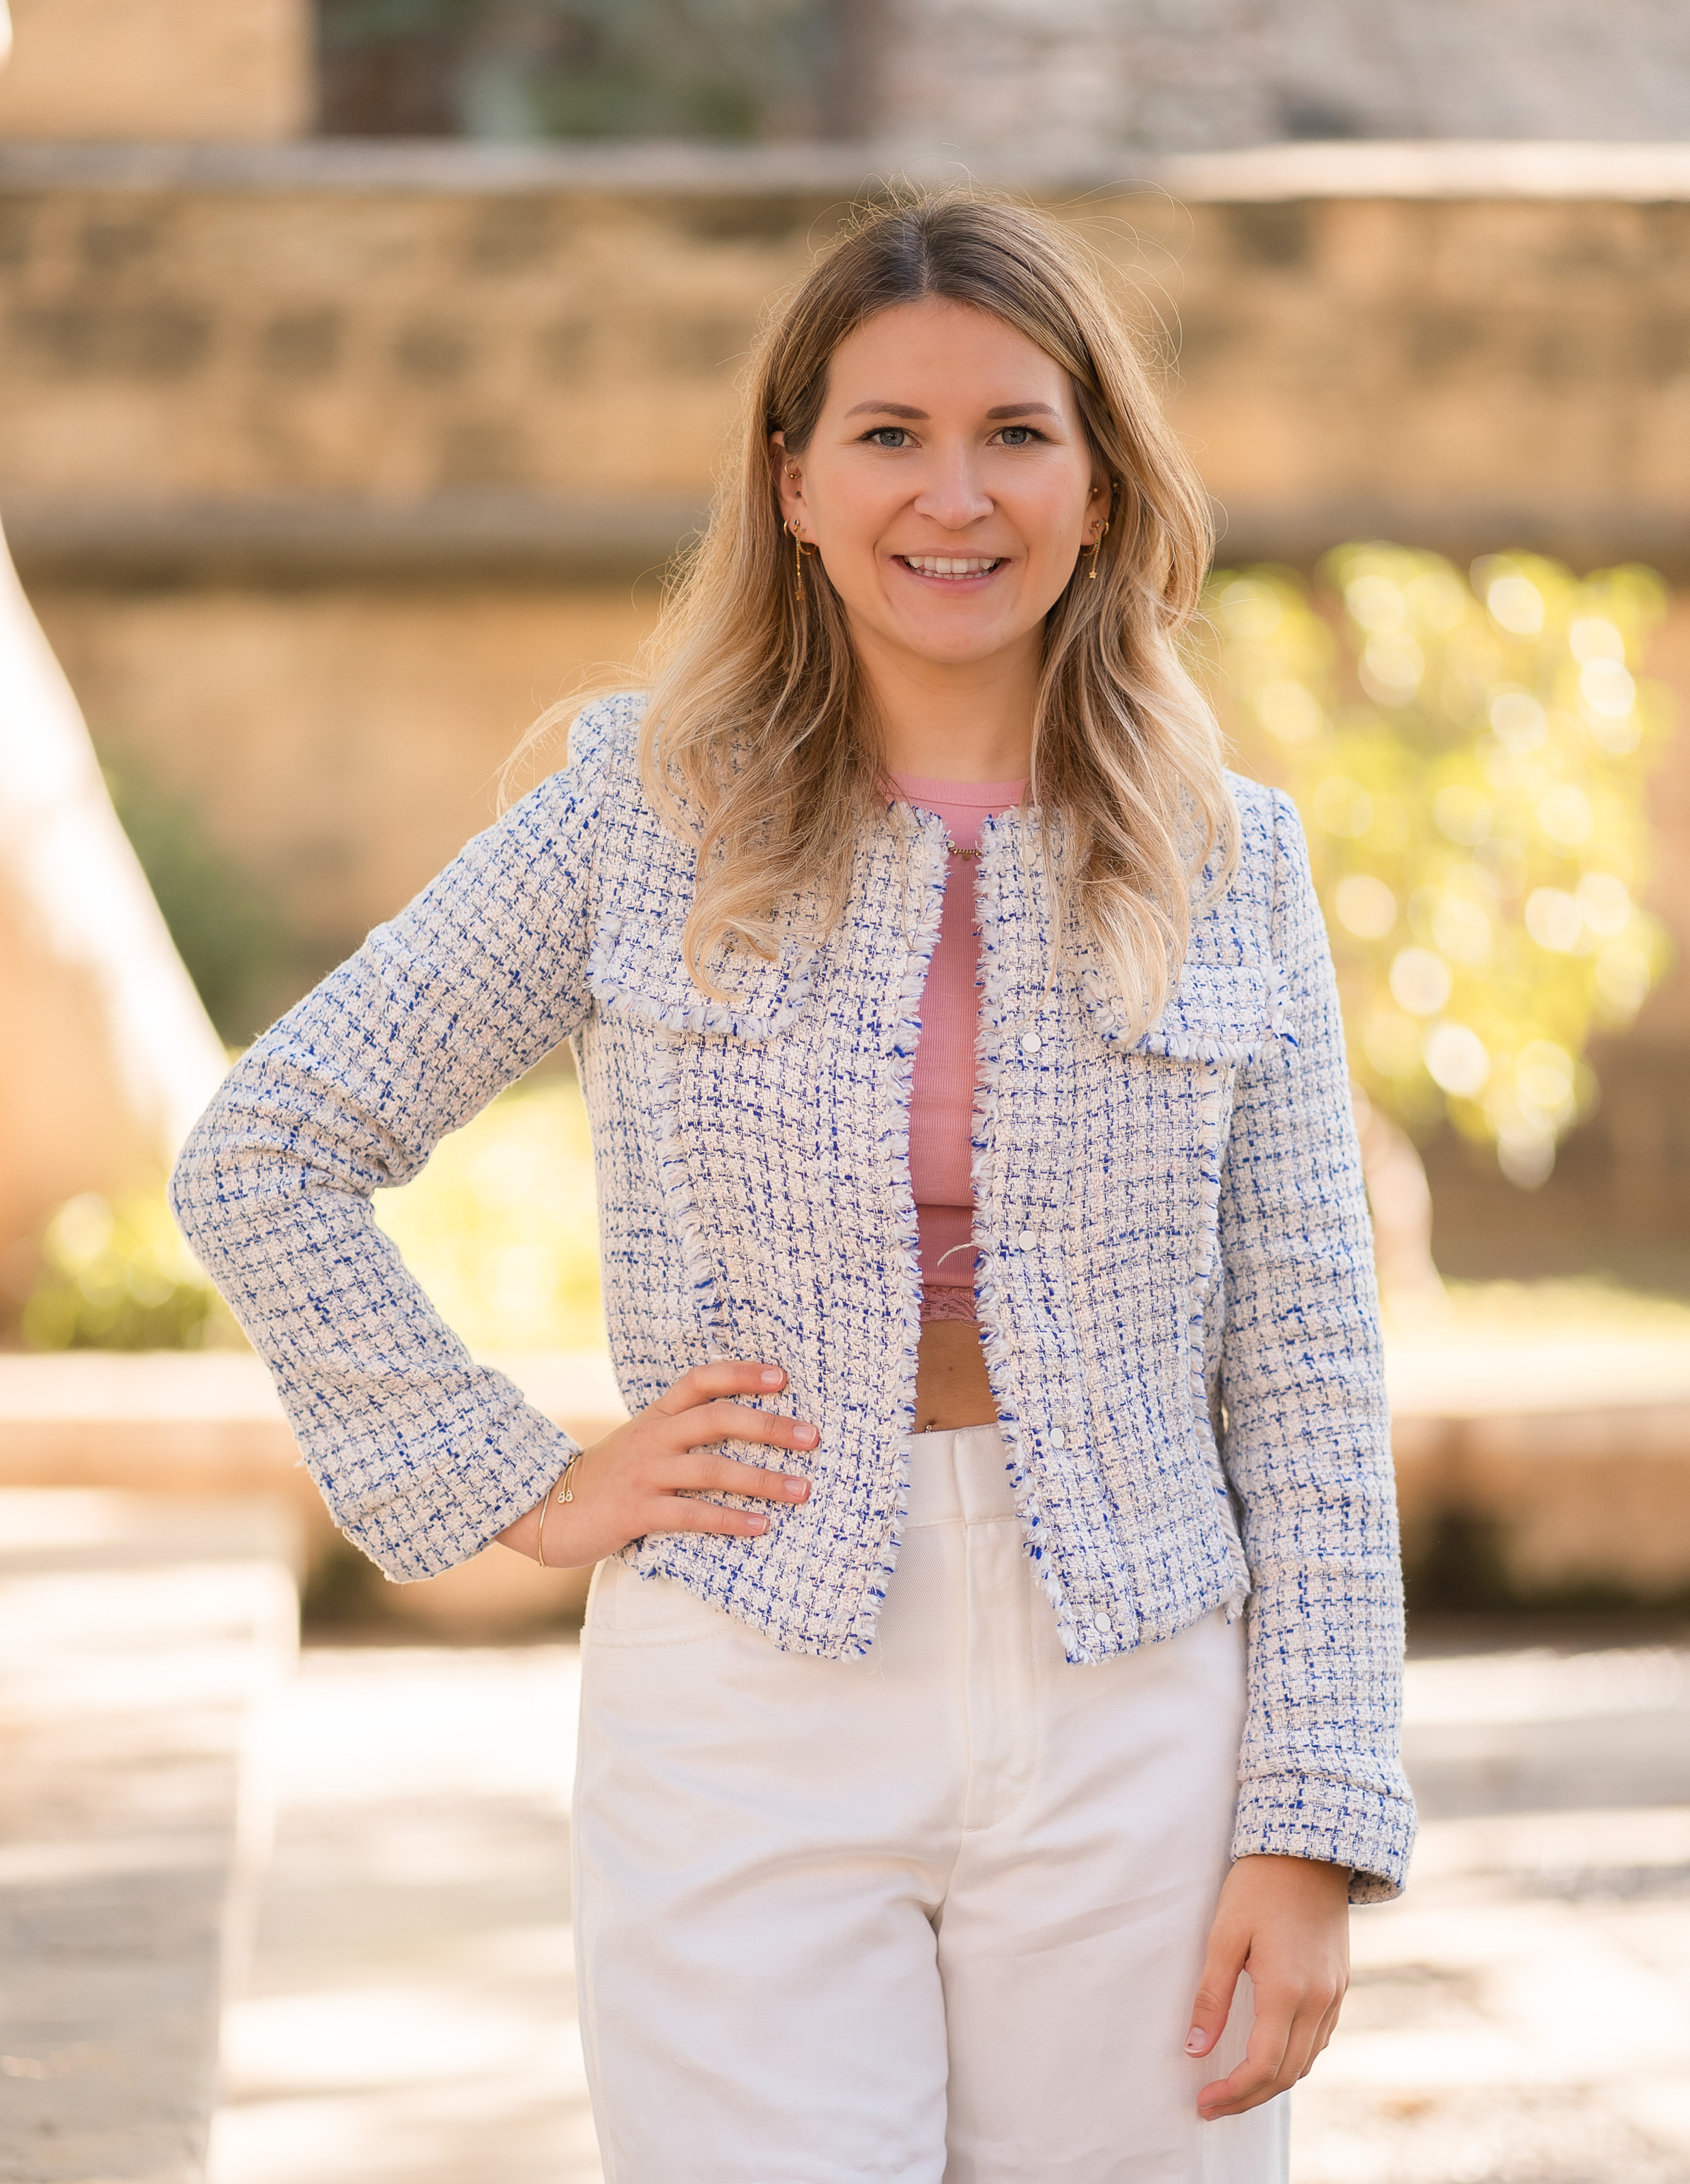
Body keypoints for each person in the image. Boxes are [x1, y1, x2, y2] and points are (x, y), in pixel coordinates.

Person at [173, 191, 1415, 2183]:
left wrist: (1316, 1817)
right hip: (745, 1683)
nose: (957, 493)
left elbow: (1307, 1369)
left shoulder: (1229, 855)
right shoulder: (633, 811)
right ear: (795, 483)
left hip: (1141, 1702)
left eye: (1018, 432)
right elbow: (272, 1149)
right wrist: (512, 1481)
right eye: (890, 436)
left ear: (1102, 485)